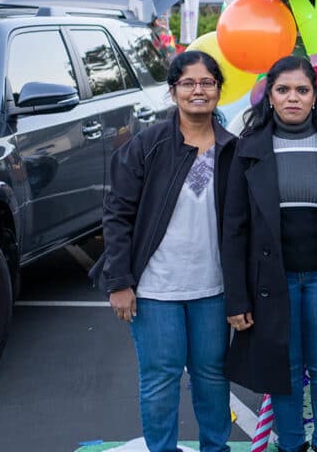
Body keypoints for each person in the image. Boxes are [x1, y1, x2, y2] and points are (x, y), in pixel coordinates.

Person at [220, 56, 317, 452]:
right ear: (269, 96)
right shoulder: (248, 147)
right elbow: (234, 228)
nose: (293, 98)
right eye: (283, 90)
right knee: (282, 371)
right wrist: (237, 296)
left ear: (314, 96)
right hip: (273, 282)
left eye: (302, 90)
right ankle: (290, 445)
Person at [91, 51, 236, 452]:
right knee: (160, 378)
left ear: (219, 90)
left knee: (212, 376)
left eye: (207, 82)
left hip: (213, 288)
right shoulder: (146, 146)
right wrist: (119, 281)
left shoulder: (233, 150)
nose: (198, 90)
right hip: (155, 290)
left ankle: (215, 448)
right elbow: (117, 214)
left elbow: (245, 227)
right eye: (188, 83)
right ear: (173, 91)